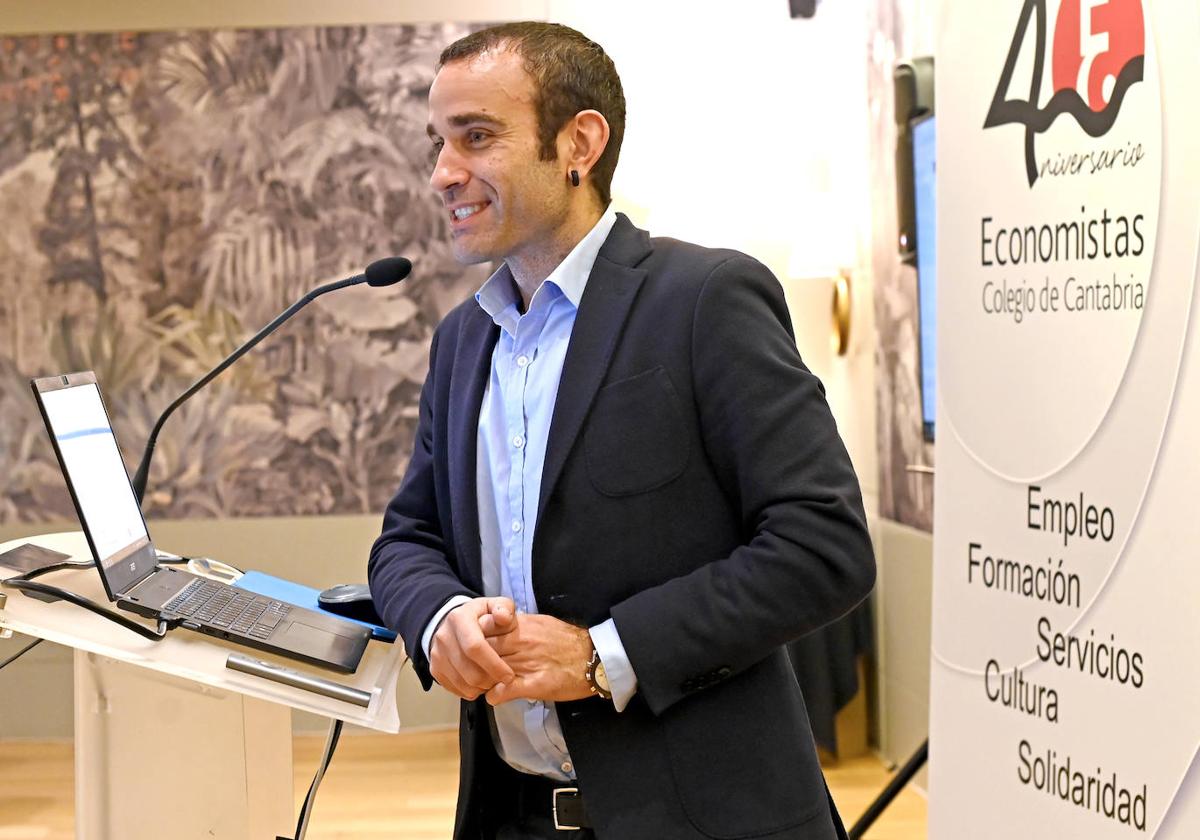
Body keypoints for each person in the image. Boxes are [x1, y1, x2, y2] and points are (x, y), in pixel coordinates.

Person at [368, 21, 875, 840]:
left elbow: (825, 546)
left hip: (703, 819)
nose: (443, 173)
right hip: (511, 816)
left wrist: (606, 656)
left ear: (580, 142)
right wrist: (438, 619)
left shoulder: (707, 300)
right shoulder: (463, 341)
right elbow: (407, 538)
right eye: (439, 142)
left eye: (477, 137)